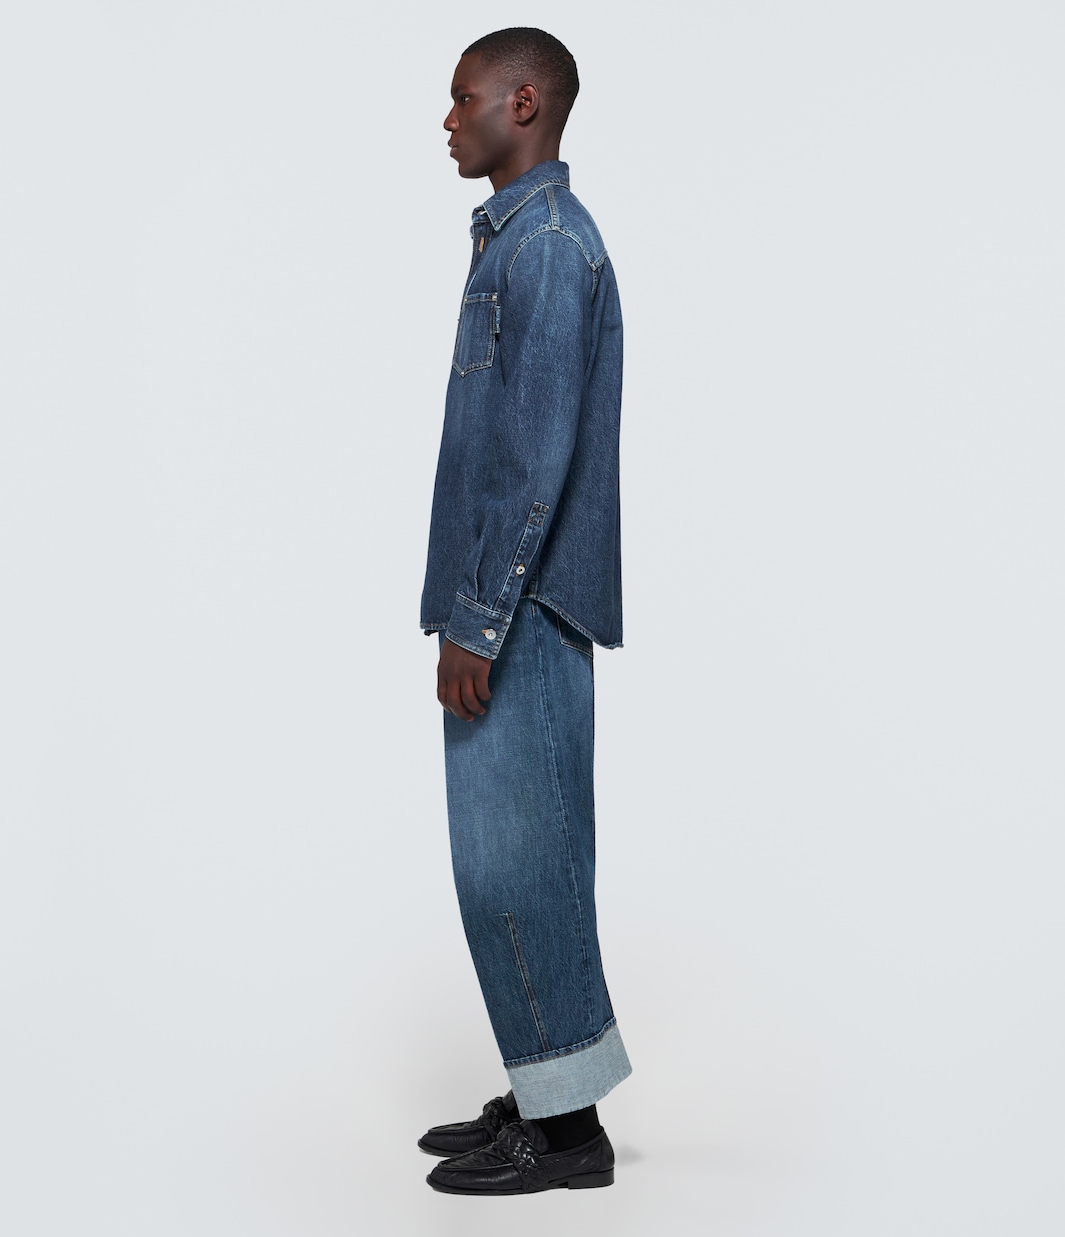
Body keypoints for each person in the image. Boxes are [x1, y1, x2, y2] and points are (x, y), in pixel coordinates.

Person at [418, 28, 631, 1197]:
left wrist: (477, 617)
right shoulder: (521, 239)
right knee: (514, 859)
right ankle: (549, 1092)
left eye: (463, 100)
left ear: (525, 102)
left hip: (522, 608)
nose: (447, 121)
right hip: (513, 602)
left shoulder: (545, 247)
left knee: (517, 865)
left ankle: (566, 1138)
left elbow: (532, 458)